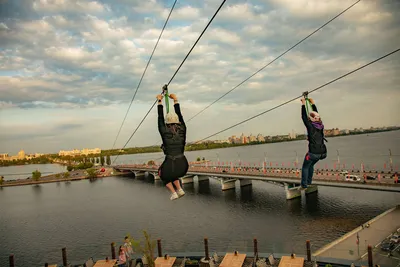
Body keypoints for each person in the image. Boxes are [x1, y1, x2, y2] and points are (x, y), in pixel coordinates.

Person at [157, 92, 189, 200]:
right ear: (178, 121)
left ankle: (173, 192)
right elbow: (180, 115)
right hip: (183, 166)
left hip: (170, 163)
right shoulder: (183, 129)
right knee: (173, 173)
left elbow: (160, 117)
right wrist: (175, 99)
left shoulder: (164, 130)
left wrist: (159, 101)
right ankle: (179, 189)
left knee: (162, 174)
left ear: (167, 123)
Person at [300, 96, 327, 189]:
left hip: (314, 153)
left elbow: (303, 117)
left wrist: (303, 104)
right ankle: (309, 182)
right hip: (323, 153)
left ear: (311, 119)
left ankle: (304, 185)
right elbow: (317, 115)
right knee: (310, 165)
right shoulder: (321, 125)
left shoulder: (310, 126)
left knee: (305, 167)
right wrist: (313, 103)